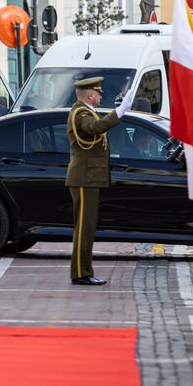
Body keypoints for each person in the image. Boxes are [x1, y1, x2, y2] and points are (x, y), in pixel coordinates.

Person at [66, 76, 135, 286]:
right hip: (85, 177)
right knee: (84, 228)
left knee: (87, 226)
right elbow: (95, 128)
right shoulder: (81, 113)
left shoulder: (85, 111)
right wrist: (120, 111)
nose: (100, 96)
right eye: (98, 93)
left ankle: (83, 271)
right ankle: (80, 273)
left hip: (88, 176)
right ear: (89, 95)